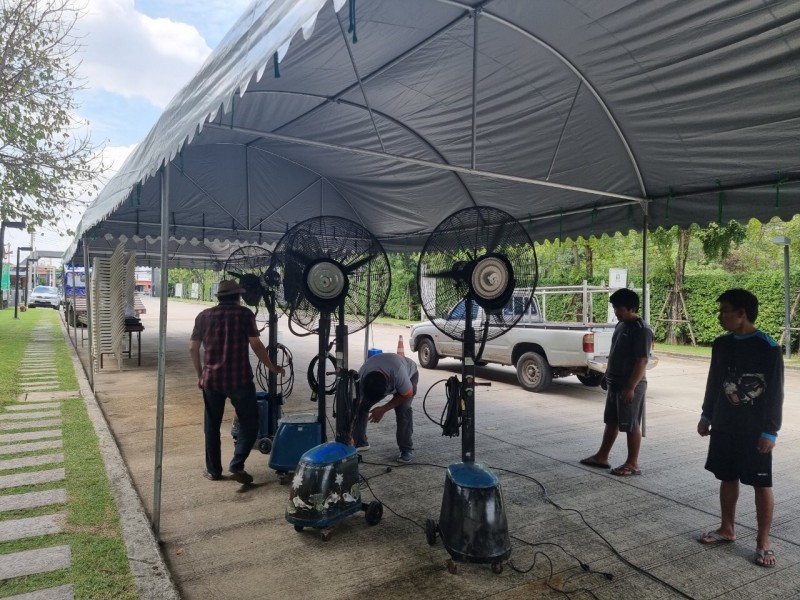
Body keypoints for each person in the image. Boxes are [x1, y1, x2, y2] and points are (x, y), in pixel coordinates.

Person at [696, 289, 783, 568]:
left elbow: (775, 393)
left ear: (742, 314)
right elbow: (714, 380)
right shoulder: (721, 344)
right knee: (727, 476)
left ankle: (763, 542)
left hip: (754, 430)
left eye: (725, 311)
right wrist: (707, 414)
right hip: (724, 424)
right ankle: (727, 528)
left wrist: (770, 431)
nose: (720, 316)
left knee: (761, 483)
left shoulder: (767, 347)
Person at [189, 280, 284, 483]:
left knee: (212, 426)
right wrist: (272, 367)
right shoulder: (244, 315)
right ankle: (237, 463)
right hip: (239, 380)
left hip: (212, 381)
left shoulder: (203, 316)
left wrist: (200, 375)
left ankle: (213, 471)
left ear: (220, 297)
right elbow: (256, 345)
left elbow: (193, 348)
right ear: (238, 297)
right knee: (250, 422)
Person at [580, 288, 653, 476]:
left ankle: (632, 464)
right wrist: (607, 376)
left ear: (632, 309)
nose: (616, 313)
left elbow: (642, 360)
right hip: (615, 382)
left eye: (619, 309)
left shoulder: (642, 330)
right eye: (615, 308)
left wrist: (631, 387)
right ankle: (602, 456)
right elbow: (615, 353)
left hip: (630, 385)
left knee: (631, 424)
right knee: (611, 421)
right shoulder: (621, 325)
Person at [353, 352, 418, 463]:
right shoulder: (361, 377)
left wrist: (383, 409)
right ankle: (360, 442)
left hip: (409, 375)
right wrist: (349, 434)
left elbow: (407, 394)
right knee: (362, 407)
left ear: (387, 387)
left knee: (403, 410)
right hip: (385, 372)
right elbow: (354, 405)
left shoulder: (398, 372)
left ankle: (406, 449)